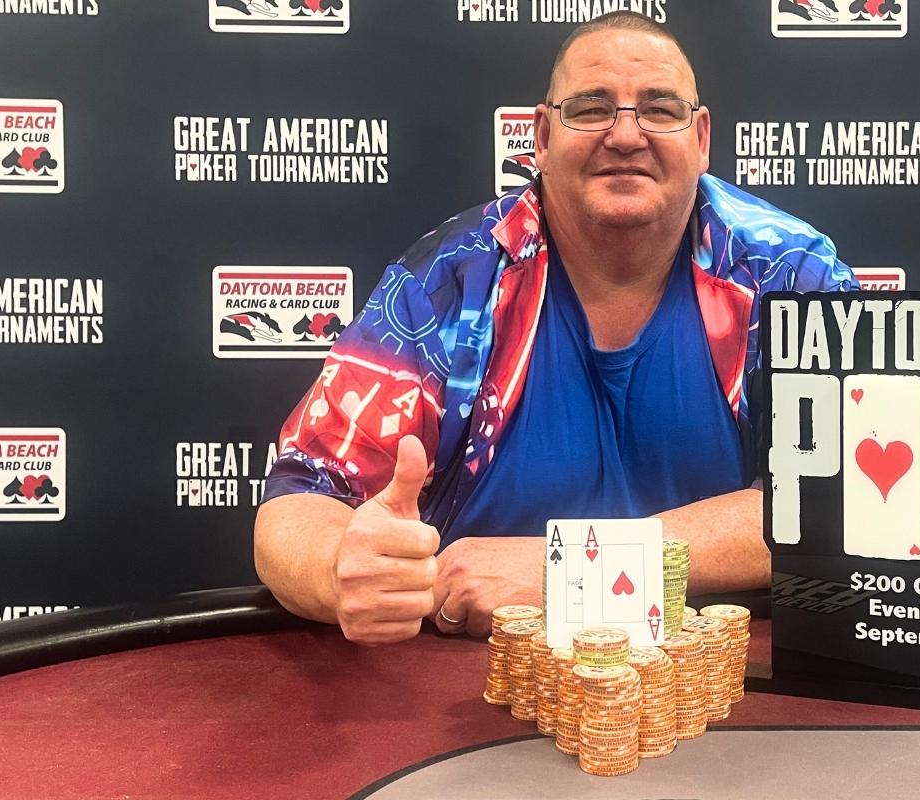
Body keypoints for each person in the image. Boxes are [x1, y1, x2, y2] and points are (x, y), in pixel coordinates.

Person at [253, 11, 855, 646]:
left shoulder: (788, 273)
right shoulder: (450, 281)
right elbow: (294, 506)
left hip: (723, 684)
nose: (626, 135)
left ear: (701, 137)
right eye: (591, 108)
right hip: (471, 698)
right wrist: (343, 570)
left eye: (659, 108)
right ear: (540, 135)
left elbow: (842, 503)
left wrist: (572, 567)